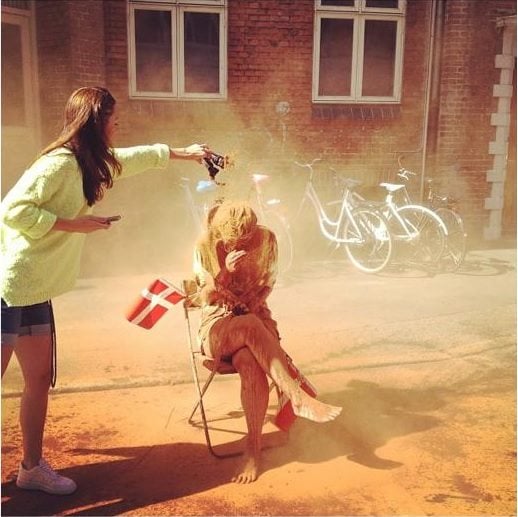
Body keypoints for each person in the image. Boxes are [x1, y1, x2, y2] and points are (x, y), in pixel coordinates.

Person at [0, 86, 211, 495]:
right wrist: (77, 224)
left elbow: (133, 159)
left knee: (39, 379)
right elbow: (13, 210)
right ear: (95, 122)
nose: (118, 125)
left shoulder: (90, 163)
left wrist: (185, 153)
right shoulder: (58, 164)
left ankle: (31, 468)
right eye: (113, 119)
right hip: (9, 284)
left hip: (34, 288)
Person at [193, 201, 342, 484]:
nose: (240, 244)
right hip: (218, 327)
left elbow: (267, 284)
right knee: (249, 325)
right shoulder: (204, 244)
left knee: (250, 360)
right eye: (232, 240)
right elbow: (203, 298)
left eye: (245, 240)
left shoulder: (267, 239)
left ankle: (253, 450)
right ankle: (297, 397)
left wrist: (251, 304)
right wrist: (225, 272)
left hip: (257, 323)